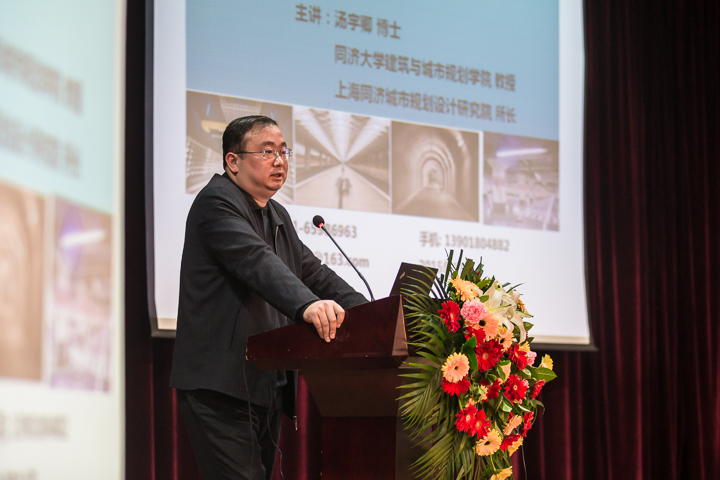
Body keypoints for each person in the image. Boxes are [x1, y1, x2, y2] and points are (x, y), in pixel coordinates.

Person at [170, 115, 367, 480]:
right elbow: (257, 262)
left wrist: (372, 313)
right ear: (233, 161)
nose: (279, 161)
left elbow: (314, 273)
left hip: (263, 386)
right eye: (266, 152)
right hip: (219, 387)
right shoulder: (216, 202)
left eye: (283, 151)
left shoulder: (277, 215)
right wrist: (307, 305)